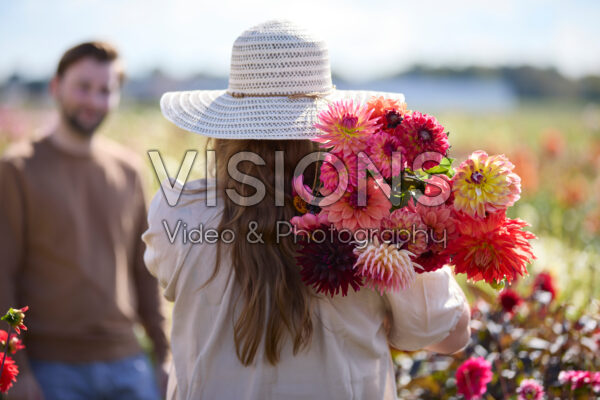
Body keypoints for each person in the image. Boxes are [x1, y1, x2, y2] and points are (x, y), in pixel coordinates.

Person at [143, 20, 470, 400]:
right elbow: (447, 334)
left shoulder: (178, 213)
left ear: (226, 129)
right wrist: (412, 208)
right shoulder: (379, 218)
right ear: (331, 126)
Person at [0, 42, 169, 400]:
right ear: (55, 87)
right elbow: (2, 275)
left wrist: (163, 354)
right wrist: (15, 366)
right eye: (83, 87)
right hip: (50, 369)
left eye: (105, 90)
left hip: (129, 362)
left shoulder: (129, 170)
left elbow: (144, 271)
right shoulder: (16, 169)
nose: (93, 101)